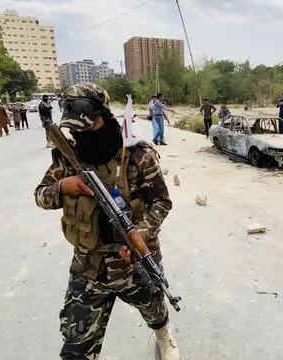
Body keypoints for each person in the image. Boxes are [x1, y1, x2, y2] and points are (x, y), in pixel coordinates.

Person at [34, 83, 180, 360]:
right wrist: (63, 186)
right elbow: (41, 196)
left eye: (85, 127)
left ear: (102, 115)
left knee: (155, 308)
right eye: (74, 130)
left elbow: (161, 202)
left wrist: (140, 235)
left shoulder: (137, 155)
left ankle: (163, 334)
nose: (78, 133)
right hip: (88, 266)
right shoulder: (68, 157)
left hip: (134, 262)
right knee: (76, 347)